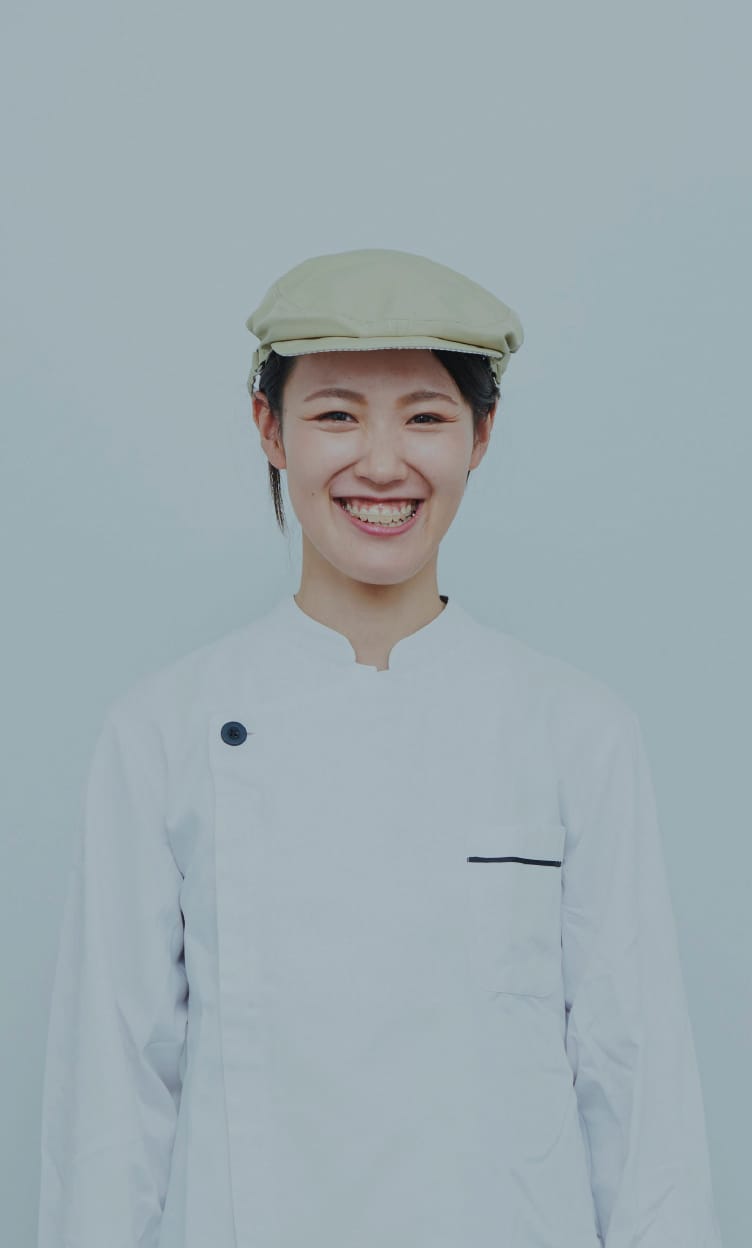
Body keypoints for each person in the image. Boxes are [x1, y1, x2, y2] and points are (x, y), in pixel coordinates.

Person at [37, 248, 723, 1246]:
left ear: (482, 433)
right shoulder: (162, 733)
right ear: (269, 427)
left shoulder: (576, 733)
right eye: (336, 414)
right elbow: (110, 1100)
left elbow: (638, 1087)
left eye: (425, 417)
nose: (382, 463)